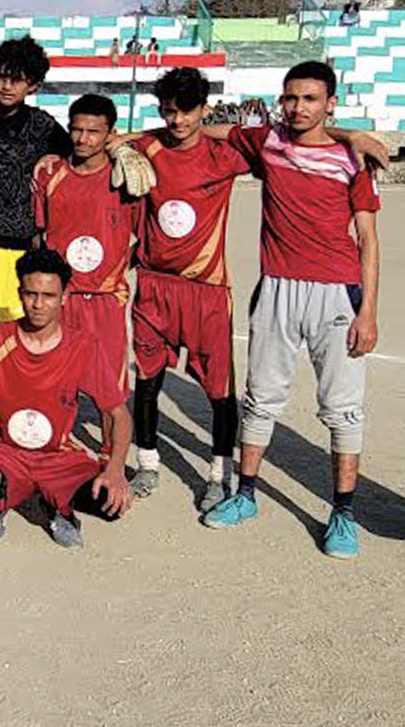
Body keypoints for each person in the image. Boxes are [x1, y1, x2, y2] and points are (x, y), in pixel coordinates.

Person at [0, 38, 147, 482]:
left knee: (15, 348)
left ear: (33, 83)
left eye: (20, 78)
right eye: (3, 75)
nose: (8, 85)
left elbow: (84, 151)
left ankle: (4, 432)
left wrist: (122, 147)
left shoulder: (47, 127)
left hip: (15, 251)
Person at [202, 62, 381, 557]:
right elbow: (201, 128)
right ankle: (246, 495)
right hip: (278, 287)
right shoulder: (268, 143)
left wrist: (368, 311)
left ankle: (343, 515)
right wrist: (133, 135)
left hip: (337, 294)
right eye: (290, 98)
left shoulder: (351, 159)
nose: (298, 107)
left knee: (343, 410)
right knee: (260, 399)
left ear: (330, 104)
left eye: (309, 98)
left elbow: (367, 240)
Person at [125, 68, 250, 512]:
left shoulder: (225, 155)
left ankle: (219, 472)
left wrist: (352, 138)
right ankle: (147, 462)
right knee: (146, 380)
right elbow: (101, 143)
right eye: (168, 112)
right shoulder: (146, 148)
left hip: (207, 290)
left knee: (219, 390)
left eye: (187, 112)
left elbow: (282, 139)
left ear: (204, 109)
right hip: (154, 287)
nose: (177, 121)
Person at [0, 250, 132, 548]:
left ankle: (60, 508)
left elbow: (119, 414)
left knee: (108, 503)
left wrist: (115, 469)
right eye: (30, 294)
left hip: (59, 458)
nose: (38, 304)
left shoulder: (83, 346)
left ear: (64, 296)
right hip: (5, 452)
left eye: (49, 295)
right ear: (19, 294)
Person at [31, 95, 142, 408]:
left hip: (107, 298)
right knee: (54, 382)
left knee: (110, 391)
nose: (82, 138)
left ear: (110, 134)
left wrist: (117, 268)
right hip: (61, 297)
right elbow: (39, 236)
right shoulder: (50, 174)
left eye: (93, 132)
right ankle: (55, 449)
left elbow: (146, 239)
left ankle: (111, 452)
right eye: (76, 129)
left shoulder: (125, 179)